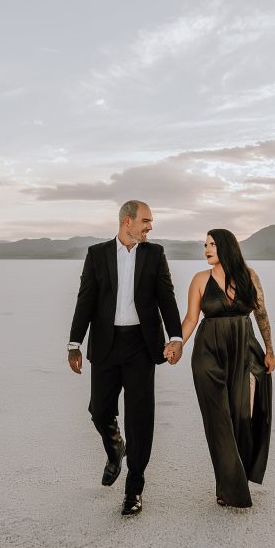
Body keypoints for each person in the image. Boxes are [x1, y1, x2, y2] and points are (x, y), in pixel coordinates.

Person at [68, 200, 183, 516]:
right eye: (146, 220)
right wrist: (74, 343)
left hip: (141, 346)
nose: (150, 226)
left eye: (151, 221)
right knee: (100, 409)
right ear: (127, 221)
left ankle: (134, 488)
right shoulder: (97, 254)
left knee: (139, 417)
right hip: (105, 343)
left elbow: (167, 298)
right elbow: (85, 300)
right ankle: (115, 445)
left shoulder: (154, 255)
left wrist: (175, 338)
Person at [167, 228, 275, 508]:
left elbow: (261, 313)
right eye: (205, 245)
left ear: (227, 246)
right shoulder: (200, 280)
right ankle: (229, 487)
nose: (206, 249)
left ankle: (234, 478)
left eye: (212, 244)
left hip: (245, 351)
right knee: (219, 422)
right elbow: (191, 318)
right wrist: (177, 343)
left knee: (241, 417)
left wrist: (270, 351)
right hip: (209, 354)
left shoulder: (249, 276)